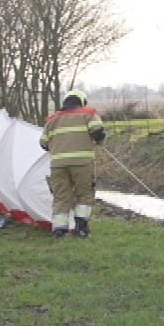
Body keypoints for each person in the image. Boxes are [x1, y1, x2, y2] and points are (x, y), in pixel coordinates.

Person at [39, 89, 105, 238]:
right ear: (82, 102)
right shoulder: (88, 114)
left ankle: (59, 230)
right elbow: (98, 133)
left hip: (58, 166)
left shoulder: (51, 120)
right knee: (84, 194)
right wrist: (99, 141)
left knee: (61, 197)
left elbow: (43, 143)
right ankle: (81, 228)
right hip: (82, 163)